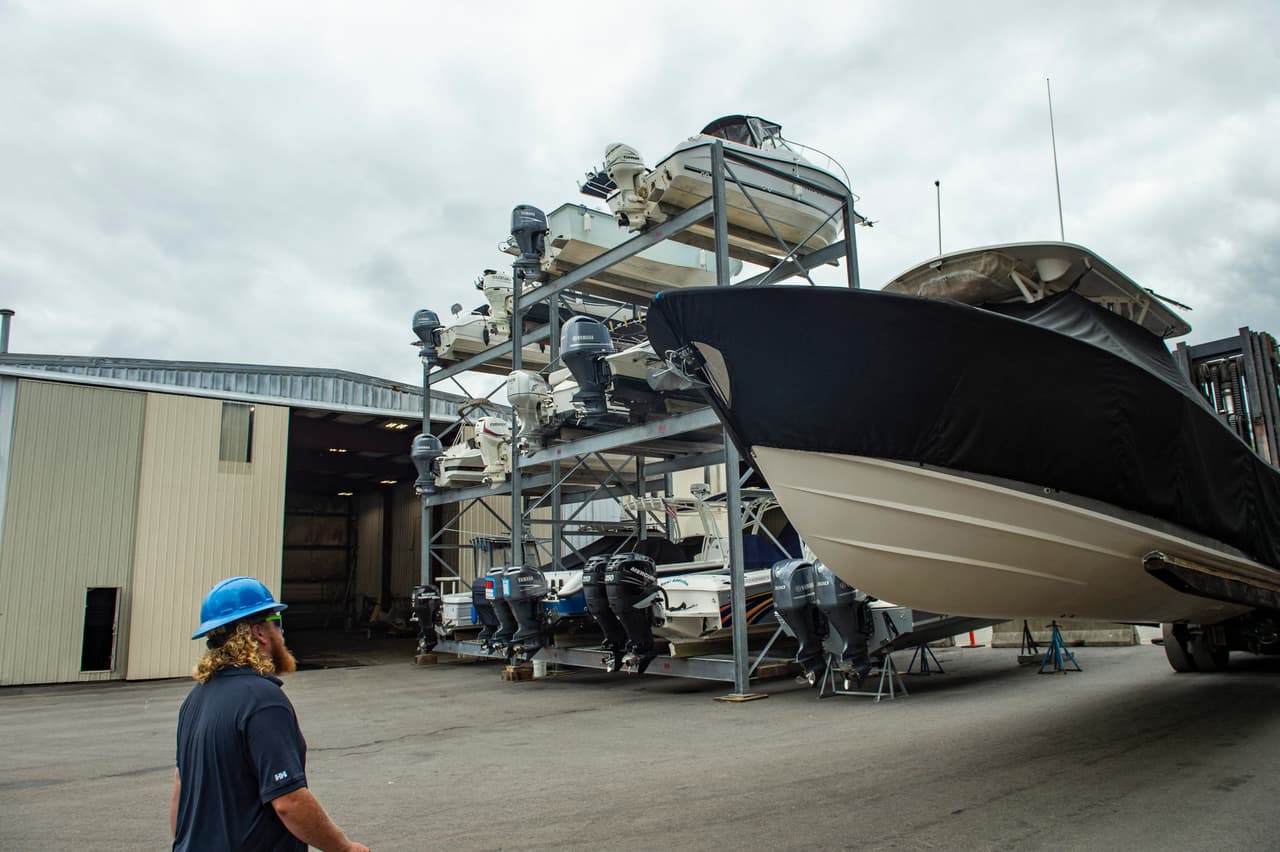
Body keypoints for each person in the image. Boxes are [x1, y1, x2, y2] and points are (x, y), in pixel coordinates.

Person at [170, 576, 370, 852]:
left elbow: (181, 790)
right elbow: (289, 802)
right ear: (259, 633)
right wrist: (344, 848)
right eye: (277, 621)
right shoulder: (263, 701)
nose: (283, 634)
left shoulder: (194, 700)